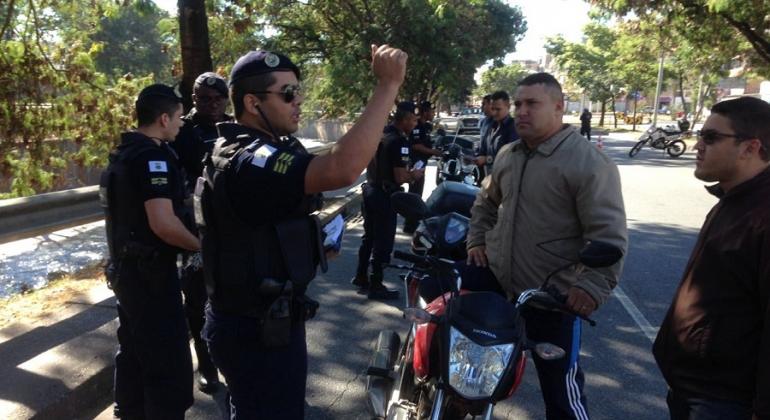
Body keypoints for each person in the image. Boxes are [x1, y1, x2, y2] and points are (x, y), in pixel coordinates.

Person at [196, 45, 407, 419]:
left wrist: (309, 248)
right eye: (287, 93)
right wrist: (388, 85)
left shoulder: (272, 148)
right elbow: (342, 167)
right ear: (251, 102)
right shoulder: (249, 158)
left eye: (298, 91)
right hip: (252, 328)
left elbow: (267, 225)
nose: (298, 101)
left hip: (269, 319)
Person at [466, 73, 627, 419]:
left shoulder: (588, 163)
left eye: (532, 104)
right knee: (463, 375)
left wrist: (592, 285)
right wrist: (476, 240)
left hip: (551, 298)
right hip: (496, 286)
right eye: (519, 103)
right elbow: (485, 203)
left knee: (562, 396)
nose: (522, 111)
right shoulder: (509, 154)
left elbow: (608, 236)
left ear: (558, 107)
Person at [653, 97, 770, 420]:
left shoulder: (762, 214)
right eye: (700, 135)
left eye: (711, 137)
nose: (697, 145)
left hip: (725, 400)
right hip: (694, 390)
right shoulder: (732, 200)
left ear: (750, 147)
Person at [100, 84, 199, 419]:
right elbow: (163, 224)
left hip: (127, 272)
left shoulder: (124, 153)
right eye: (179, 118)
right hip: (151, 278)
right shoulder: (152, 158)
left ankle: (129, 412)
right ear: (163, 118)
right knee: (167, 366)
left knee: (133, 352)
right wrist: (202, 247)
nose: (182, 124)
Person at [171, 72, 233, 394]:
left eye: (217, 98)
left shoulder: (234, 128)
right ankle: (206, 366)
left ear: (226, 99)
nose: (211, 104)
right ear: (193, 99)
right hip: (195, 230)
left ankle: (232, 362)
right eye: (203, 98)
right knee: (196, 299)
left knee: (233, 294)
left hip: (233, 229)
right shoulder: (182, 132)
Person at [352, 101, 424, 298]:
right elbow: (400, 177)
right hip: (385, 195)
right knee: (383, 241)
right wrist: (415, 175)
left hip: (370, 190)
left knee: (369, 237)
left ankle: (360, 276)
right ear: (406, 119)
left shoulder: (381, 133)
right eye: (414, 121)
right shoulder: (399, 142)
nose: (415, 124)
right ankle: (376, 284)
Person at [403, 100, 441, 233]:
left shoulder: (426, 126)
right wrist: (433, 152)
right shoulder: (417, 126)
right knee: (414, 194)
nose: (433, 113)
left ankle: (412, 222)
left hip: (422, 164)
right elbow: (416, 145)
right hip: (415, 163)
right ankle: (409, 224)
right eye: (431, 111)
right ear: (425, 112)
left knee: (417, 194)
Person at [477, 90, 518, 176]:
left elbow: (512, 158)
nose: (494, 112)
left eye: (498, 109)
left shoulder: (514, 128)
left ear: (508, 107)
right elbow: (483, 150)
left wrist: (487, 159)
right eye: (492, 109)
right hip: (489, 179)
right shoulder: (490, 125)